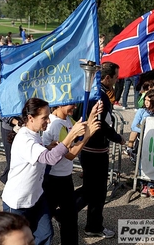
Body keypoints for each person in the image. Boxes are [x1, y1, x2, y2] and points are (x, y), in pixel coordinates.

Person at [2, 98, 100, 245]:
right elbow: (51, 158)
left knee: (45, 233)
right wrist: (72, 135)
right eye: (44, 118)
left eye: (48, 116)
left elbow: (41, 153)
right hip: (18, 202)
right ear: (30, 118)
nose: (48, 121)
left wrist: (47, 146)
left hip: (36, 197)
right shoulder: (24, 138)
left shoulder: (35, 134)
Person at [75, 62, 125, 239]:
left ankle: (65, 213)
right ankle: (93, 226)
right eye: (115, 76)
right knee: (97, 192)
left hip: (88, 147)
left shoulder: (94, 91)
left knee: (91, 189)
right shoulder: (100, 95)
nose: (117, 79)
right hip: (94, 149)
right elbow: (100, 124)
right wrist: (118, 138)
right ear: (107, 77)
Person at [42, 102, 102, 245]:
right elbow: (70, 154)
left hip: (65, 177)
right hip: (53, 180)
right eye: (71, 104)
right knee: (43, 219)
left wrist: (93, 113)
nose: (75, 107)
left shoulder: (67, 119)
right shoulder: (55, 124)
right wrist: (87, 136)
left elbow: (83, 126)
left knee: (69, 218)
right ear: (60, 104)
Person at [127, 89, 154, 200]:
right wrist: (146, 129)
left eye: (149, 100)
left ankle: (152, 186)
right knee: (142, 163)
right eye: (145, 100)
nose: (146, 102)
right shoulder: (141, 111)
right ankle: (144, 185)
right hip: (142, 141)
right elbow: (133, 126)